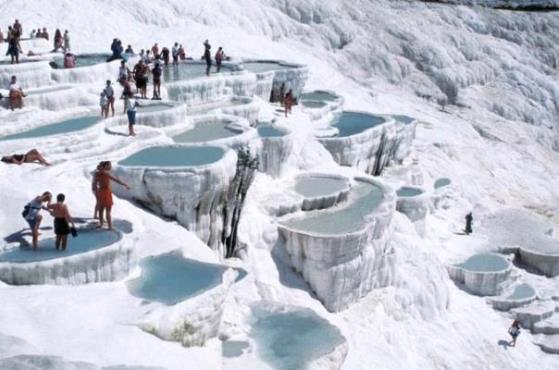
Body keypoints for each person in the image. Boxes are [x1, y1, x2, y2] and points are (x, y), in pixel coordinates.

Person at [93, 161, 130, 229]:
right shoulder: (106, 174)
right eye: (108, 166)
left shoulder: (97, 174)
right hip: (107, 192)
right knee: (108, 209)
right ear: (104, 166)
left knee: (101, 209)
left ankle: (101, 224)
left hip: (100, 191)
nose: (109, 167)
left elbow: (95, 185)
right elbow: (116, 180)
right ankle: (110, 226)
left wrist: (96, 193)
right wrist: (125, 184)